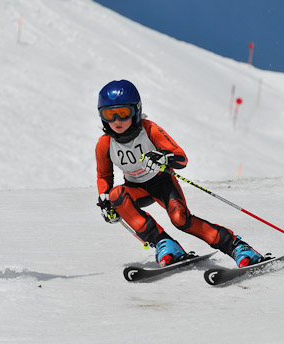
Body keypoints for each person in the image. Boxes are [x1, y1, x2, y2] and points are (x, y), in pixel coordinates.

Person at [95, 79, 262, 267]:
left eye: (124, 113)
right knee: (117, 195)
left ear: (136, 110)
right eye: (109, 114)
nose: (116, 120)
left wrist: (163, 157)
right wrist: (105, 199)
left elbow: (181, 158)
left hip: (161, 182)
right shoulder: (105, 144)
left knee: (180, 219)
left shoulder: (149, 130)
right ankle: (164, 244)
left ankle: (237, 246)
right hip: (136, 189)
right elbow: (104, 176)